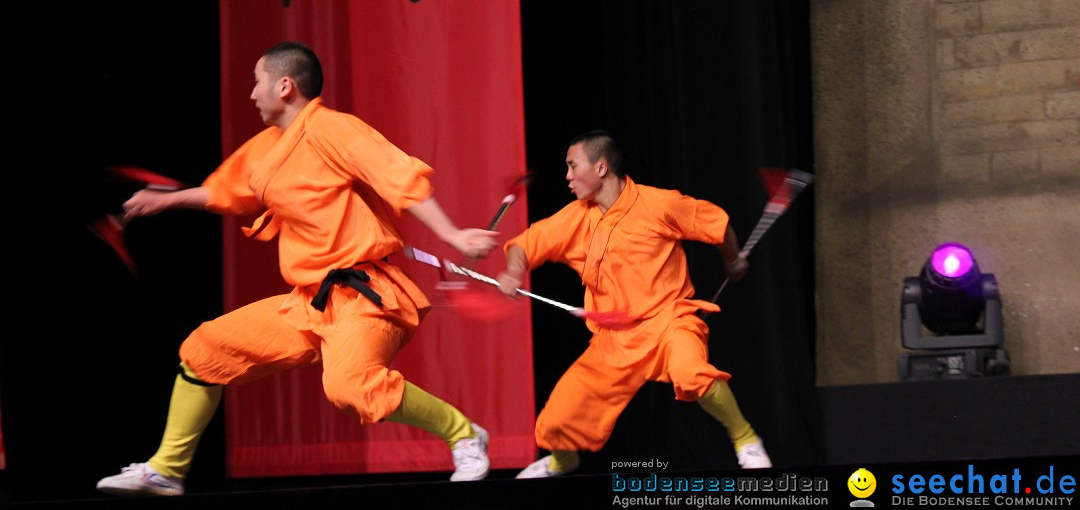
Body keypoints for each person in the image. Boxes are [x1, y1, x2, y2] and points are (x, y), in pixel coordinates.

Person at [97, 42, 498, 496]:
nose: (252, 93)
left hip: (364, 295)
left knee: (350, 387)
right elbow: (226, 192)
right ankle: (167, 470)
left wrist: (453, 236)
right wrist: (168, 200)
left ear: (285, 86)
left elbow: (398, 177)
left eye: (257, 81)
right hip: (309, 303)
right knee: (204, 350)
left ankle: (463, 433)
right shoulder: (268, 147)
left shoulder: (333, 129)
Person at [497, 131, 771, 478]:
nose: (566, 176)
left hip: (669, 321)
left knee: (691, 373)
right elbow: (526, 244)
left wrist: (732, 260)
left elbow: (717, 223)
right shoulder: (576, 217)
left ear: (600, 168)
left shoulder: (659, 204)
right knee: (553, 422)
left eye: (572, 166)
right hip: (612, 340)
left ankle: (746, 439)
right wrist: (513, 271)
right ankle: (561, 462)